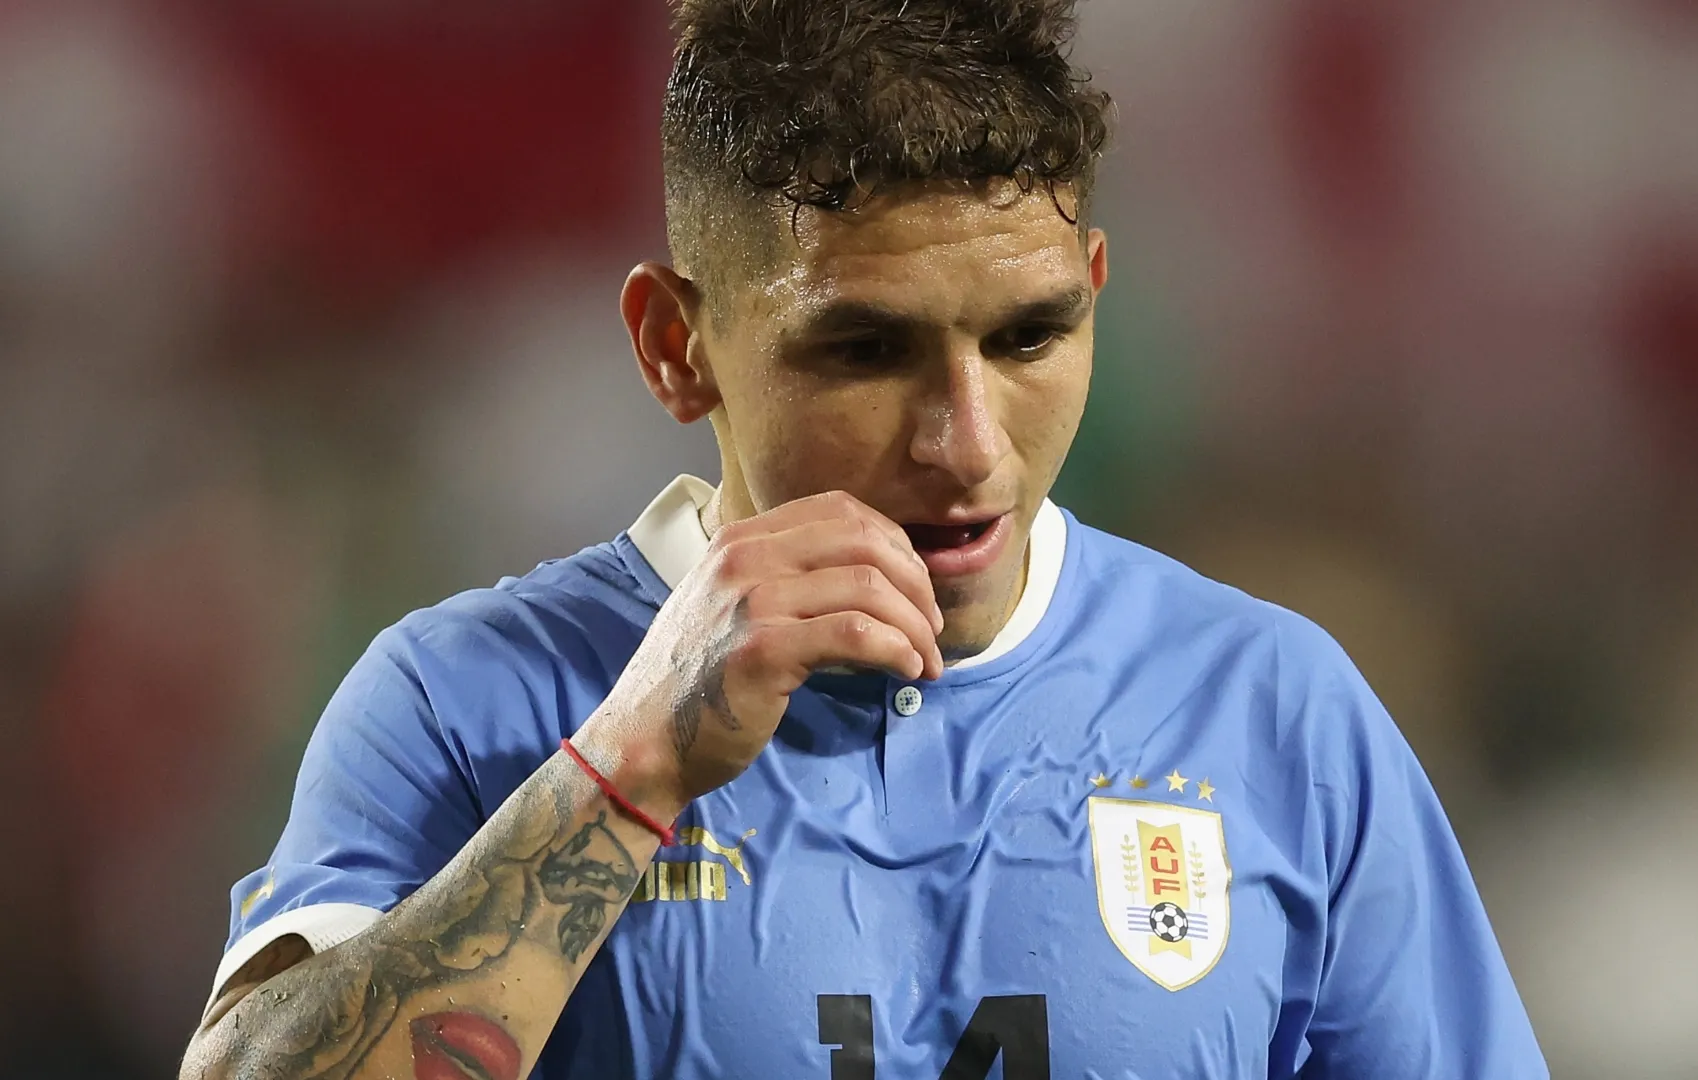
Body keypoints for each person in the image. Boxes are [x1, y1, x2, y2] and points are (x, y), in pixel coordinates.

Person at [180, 1, 1547, 1076]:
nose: (965, 441)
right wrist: (626, 770)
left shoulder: (1275, 718)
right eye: (862, 350)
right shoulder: (472, 702)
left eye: (1028, 336)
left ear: (1094, 293)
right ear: (676, 347)